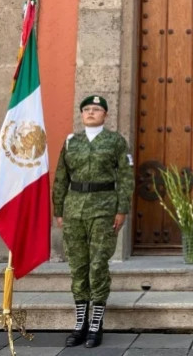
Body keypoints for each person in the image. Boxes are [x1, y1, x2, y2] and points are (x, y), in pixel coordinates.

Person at [52, 95, 135, 348]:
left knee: (98, 265)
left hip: (104, 208)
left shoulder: (115, 142)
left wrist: (122, 210)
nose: (90, 113)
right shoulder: (70, 142)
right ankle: (80, 324)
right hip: (74, 209)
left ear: (105, 115)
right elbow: (60, 177)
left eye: (96, 109)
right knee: (78, 266)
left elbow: (126, 177)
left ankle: (96, 324)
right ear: (81, 114)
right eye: (86, 109)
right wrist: (59, 210)